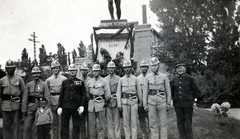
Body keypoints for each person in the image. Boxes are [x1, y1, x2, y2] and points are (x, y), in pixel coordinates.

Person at [143, 57, 171, 139]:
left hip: (162, 102)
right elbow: (145, 92)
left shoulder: (164, 76)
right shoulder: (147, 78)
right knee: (152, 123)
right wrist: (145, 104)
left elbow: (168, 91)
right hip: (151, 102)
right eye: (152, 66)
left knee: (163, 123)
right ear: (150, 67)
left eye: (155, 65)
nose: (154, 67)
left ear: (158, 65)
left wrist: (168, 103)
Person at [170, 62, 199, 139]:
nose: (180, 70)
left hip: (188, 104)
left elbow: (195, 91)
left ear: (185, 69)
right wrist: (173, 100)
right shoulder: (174, 80)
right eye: (178, 68)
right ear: (176, 70)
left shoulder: (190, 78)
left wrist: (194, 101)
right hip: (178, 105)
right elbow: (172, 91)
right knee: (180, 123)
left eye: (181, 68)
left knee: (188, 123)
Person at [57, 64, 86, 139]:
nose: (72, 72)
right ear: (68, 72)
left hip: (76, 107)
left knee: (76, 126)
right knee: (64, 126)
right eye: (71, 71)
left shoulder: (80, 82)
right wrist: (60, 106)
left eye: (73, 70)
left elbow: (83, 95)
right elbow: (61, 95)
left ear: (76, 71)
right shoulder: (65, 82)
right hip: (66, 107)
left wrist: (82, 105)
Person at [22, 66, 50, 139]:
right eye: (34, 73)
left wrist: (47, 110)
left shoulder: (44, 84)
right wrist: (24, 109)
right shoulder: (28, 84)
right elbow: (25, 98)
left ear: (40, 74)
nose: (36, 75)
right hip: (30, 108)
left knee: (37, 128)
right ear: (32, 74)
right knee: (26, 127)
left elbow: (47, 97)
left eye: (37, 73)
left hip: (40, 108)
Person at [0, 60, 25, 139]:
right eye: (8, 68)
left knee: (16, 126)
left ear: (14, 68)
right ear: (6, 69)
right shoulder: (2, 80)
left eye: (12, 68)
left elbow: (24, 93)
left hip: (16, 105)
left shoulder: (19, 79)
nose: (10, 69)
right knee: (6, 127)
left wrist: (23, 106)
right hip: (5, 106)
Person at [116, 60, 142, 139]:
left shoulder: (135, 79)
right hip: (124, 102)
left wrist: (140, 102)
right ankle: (127, 137)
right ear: (123, 69)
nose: (127, 69)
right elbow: (118, 93)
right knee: (125, 123)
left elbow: (139, 91)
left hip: (134, 102)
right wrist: (119, 104)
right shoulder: (121, 79)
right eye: (125, 67)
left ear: (131, 68)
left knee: (134, 123)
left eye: (128, 67)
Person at [86, 64, 111, 139]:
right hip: (91, 105)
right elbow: (87, 93)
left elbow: (108, 94)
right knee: (91, 124)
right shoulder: (89, 82)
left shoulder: (104, 81)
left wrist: (104, 101)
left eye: (97, 71)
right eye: (94, 71)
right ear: (92, 72)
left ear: (99, 71)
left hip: (100, 104)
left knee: (101, 124)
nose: (95, 72)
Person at [45, 60, 67, 139]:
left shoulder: (64, 79)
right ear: (51, 69)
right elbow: (46, 93)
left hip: (61, 103)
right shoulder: (48, 80)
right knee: (54, 123)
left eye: (56, 68)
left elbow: (66, 92)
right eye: (53, 68)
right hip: (52, 103)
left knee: (61, 123)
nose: (55, 70)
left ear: (59, 68)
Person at [104, 61, 121, 139]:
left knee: (117, 120)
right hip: (108, 102)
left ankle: (117, 136)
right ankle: (111, 136)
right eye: (110, 68)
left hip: (115, 101)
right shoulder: (105, 79)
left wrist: (118, 100)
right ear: (107, 69)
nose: (111, 69)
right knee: (109, 121)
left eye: (112, 68)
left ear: (115, 69)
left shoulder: (118, 79)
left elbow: (119, 91)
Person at [137, 60, 150, 139]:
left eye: (145, 67)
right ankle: (144, 135)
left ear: (148, 68)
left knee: (151, 120)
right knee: (142, 120)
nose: (144, 68)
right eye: (142, 67)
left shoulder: (150, 76)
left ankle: (151, 134)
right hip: (141, 102)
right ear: (140, 68)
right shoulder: (137, 79)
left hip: (149, 102)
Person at [79, 62, 92, 139]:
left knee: (90, 121)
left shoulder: (90, 80)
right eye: (83, 70)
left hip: (89, 102)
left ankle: (89, 136)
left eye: (85, 70)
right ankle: (83, 136)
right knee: (81, 121)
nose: (84, 71)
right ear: (80, 70)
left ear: (88, 71)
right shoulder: (77, 80)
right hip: (81, 103)